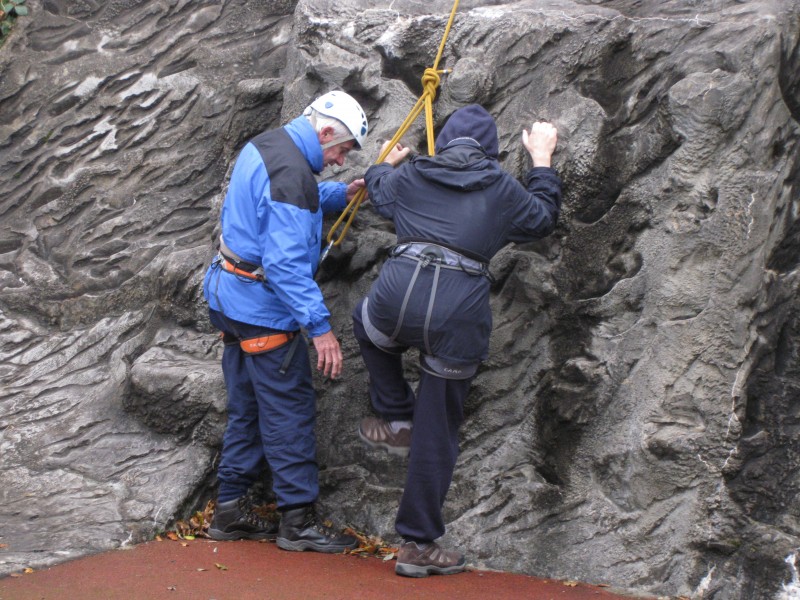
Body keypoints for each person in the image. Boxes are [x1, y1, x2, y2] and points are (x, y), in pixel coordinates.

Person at [352, 104, 561, 576]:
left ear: (442, 143)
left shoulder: (413, 175)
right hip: (457, 313)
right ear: (492, 150)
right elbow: (543, 218)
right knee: (438, 427)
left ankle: (394, 411)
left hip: (396, 299)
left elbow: (377, 187)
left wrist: (387, 160)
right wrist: (542, 160)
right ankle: (418, 545)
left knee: (366, 323)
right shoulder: (503, 188)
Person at [203, 90, 369, 553]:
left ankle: (231, 509)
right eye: (342, 150)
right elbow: (284, 267)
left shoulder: (268, 144)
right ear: (324, 133)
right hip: (261, 312)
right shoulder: (295, 177)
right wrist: (321, 330)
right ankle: (297, 521)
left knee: (248, 409)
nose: (340, 161)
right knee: (289, 412)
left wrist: (343, 194)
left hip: (229, 300)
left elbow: (278, 202)